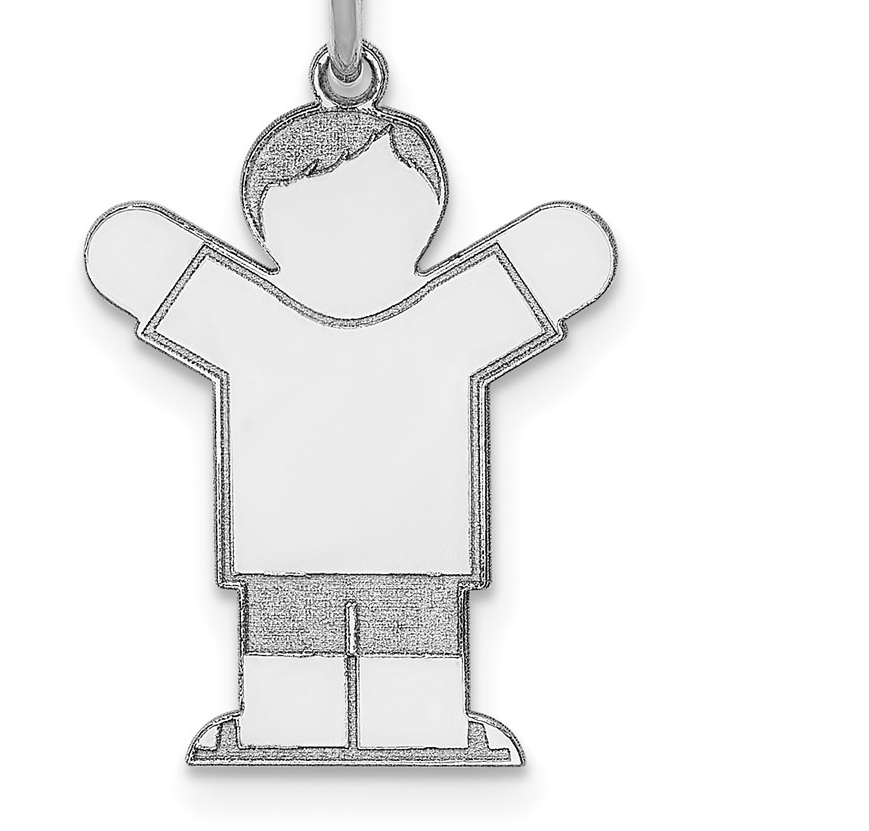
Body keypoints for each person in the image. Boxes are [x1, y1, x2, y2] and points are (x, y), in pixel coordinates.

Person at [86, 100, 616, 765]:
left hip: (400, 531)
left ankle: (408, 728)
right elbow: (134, 257)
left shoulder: (436, 310)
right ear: (264, 221)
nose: (351, 236)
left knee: (410, 641)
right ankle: (297, 727)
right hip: (302, 536)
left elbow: (563, 260)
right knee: (295, 640)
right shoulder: (262, 309)